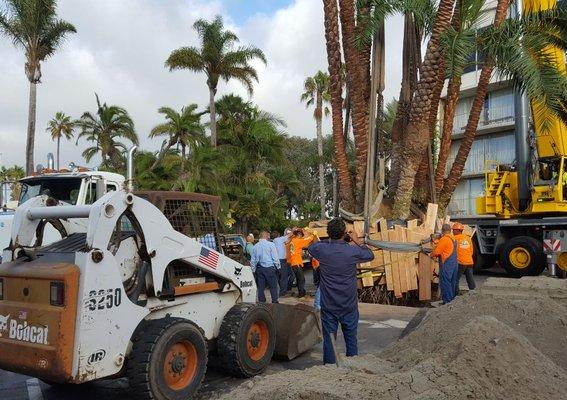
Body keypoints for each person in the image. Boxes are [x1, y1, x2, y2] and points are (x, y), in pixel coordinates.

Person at [308, 218, 374, 365]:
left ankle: (329, 369)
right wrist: (355, 239)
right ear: (344, 233)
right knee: (351, 340)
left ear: (328, 233)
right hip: (348, 305)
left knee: (330, 341)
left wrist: (330, 241)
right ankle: (352, 369)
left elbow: (311, 247)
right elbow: (370, 254)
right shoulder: (352, 250)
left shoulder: (321, 249)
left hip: (329, 306)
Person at [431, 223, 458, 304]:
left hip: (447, 264)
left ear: (443, 231)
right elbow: (445, 247)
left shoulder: (444, 239)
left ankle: (447, 302)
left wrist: (431, 254)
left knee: (445, 283)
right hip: (454, 263)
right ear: (450, 230)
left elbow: (437, 251)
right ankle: (451, 301)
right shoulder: (453, 238)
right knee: (452, 282)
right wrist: (436, 241)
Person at [250, 231, 281, 303]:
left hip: (259, 268)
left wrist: (253, 270)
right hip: (270, 268)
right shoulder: (271, 244)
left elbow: (253, 260)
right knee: (273, 286)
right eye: (268, 235)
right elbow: (275, 258)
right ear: (267, 236)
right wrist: (278, 267)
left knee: (261, 287)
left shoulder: (255, 246)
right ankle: (274, 301)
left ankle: (261, 302)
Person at [288, 228, 317, 298]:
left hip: (294, 262)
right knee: (301, 279)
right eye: (301, 235)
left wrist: (306, 230)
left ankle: (301, 292)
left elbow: (303, 240)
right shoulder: (297, 241)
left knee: (299, 278)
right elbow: (307, 240)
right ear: (299, 234)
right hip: (296, 262)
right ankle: (301, 294)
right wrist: (313, 235)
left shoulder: (293, 241)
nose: (301, 236)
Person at [452, 222, 476, 293]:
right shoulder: (467, 238)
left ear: (458, 230)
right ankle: (472, 290)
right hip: (469, 261)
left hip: (461, 262)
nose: (452, 231)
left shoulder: (454, 238)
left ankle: (456, 293)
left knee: (455, 278)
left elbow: (452, 250)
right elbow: (471, 250)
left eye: (454, 230)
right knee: (469, 276)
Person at [273, 228, 292, 296]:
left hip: (277, 261)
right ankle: (283, 292)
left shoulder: (275, 241)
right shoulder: (279, 239)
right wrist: (294, 230)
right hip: (282, 261)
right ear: (278, 235)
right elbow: (290, 235)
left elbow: (287, 242)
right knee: (284, 276)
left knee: (279, 276)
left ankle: (281, 291)